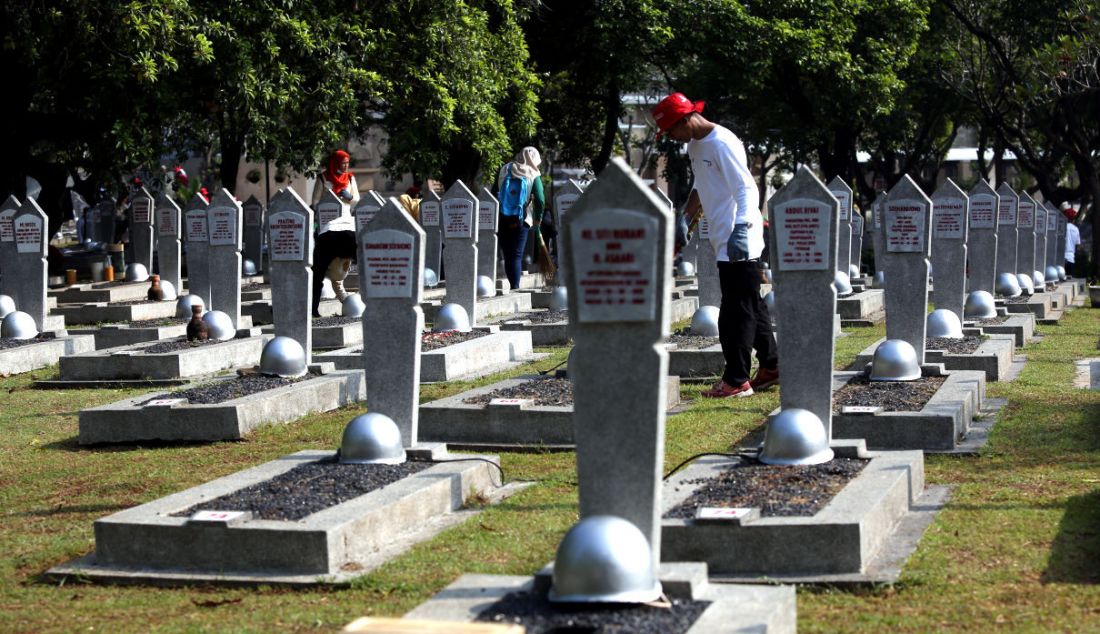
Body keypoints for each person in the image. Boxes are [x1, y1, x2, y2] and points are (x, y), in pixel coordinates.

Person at [653, 92, 777, 398]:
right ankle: (772, 365)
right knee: (751, 304)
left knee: (734, 313)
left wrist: (742, 228)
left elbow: (745, 187)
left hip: (739, 239)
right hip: (723, 237)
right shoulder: (696, 146)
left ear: (686, 120)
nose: (672, 137)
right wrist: (687, 215)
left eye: (671, 130)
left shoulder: (722, 143)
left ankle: (736, 380)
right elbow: (702, 184)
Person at [494, 147, 545, 289]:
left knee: (508, 255)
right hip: (523, 219)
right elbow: (540, 199)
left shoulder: (505, 169)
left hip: (503, 217)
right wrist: (537, 218)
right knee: (516, 255)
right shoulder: (534, 173)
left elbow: (495, 192)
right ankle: (515, 287)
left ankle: (512, 284)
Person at [311, 215, 357, 317]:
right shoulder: (360, 221)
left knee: (317, 278)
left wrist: (345, 300)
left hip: (327, 235)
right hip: (352, 234)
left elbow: (336, 279)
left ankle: (313, 311)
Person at [1062, 203, 1081, 276]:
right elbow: (1077, 244)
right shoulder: (1076, 229)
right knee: (1069, 278)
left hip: (1061, 258)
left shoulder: (1061, 227)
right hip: (1071, 258)